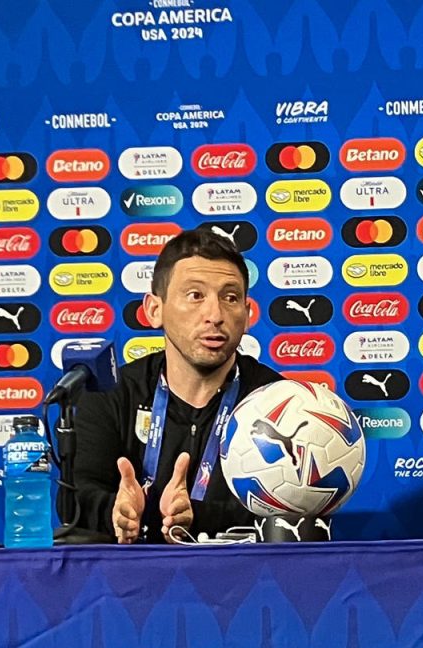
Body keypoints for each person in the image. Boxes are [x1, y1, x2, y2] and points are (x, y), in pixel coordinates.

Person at [67, 226, 283, 542]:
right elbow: (77, 498)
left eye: (231, 297)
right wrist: (119, 510)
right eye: (195, 295)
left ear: (247, 315)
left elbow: (292, 511)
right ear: (155, 310)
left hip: (244, 581)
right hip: (126, 584)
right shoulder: (111, 392)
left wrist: (198, 516)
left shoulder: (278, 401)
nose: (215, 314)